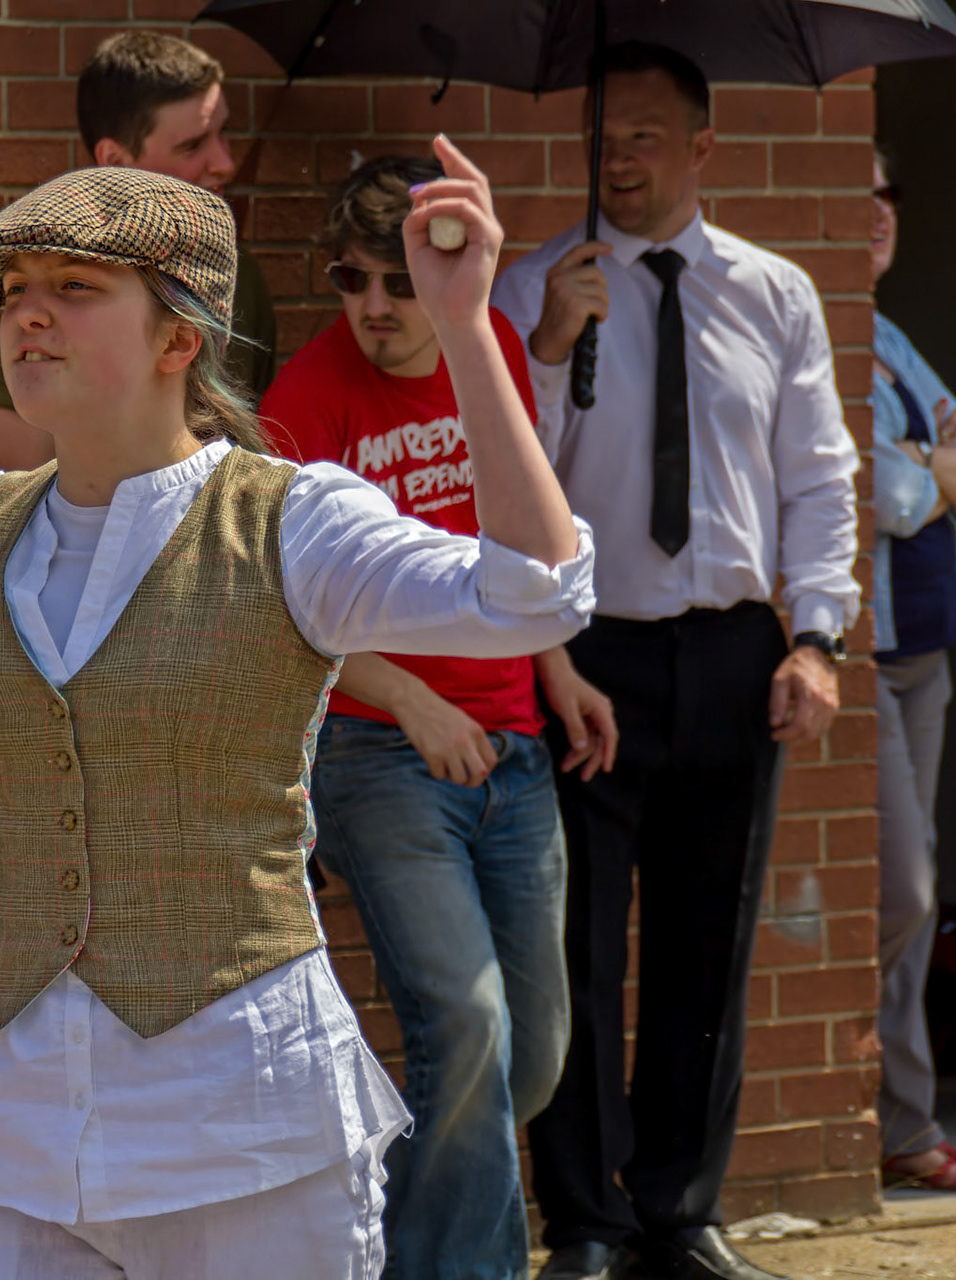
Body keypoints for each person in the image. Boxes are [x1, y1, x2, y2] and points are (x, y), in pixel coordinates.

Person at [0, 144, 592, 1276]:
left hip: (246, 1130)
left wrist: (467, 328)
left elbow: (536, 590)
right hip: (6, 1131)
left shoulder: (291, 522)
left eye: (74, 289)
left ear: (180, 339)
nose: (27, 317)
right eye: (17, 292)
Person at [491, 42, 859, 1280]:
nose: (623, 155)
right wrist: (546, 347)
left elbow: (816, 476)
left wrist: (818, 636)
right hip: (584, 657)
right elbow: (500, 480)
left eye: (649, 134)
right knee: (578, 946)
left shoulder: (776, 292)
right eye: (607, 133)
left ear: (703, 147)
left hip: (734, 653)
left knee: (711, 937)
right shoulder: (536, 284)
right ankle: (586, 1223)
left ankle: (678, 1209)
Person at [260, 154, 616, 1280]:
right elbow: (283, 612)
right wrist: (411, 700)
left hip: (511, 748)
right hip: (380, 753)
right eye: (350, 280)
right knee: (464, 1025)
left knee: (532, 1056)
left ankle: (380, 1245)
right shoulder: (303, 401)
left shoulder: (491, 351)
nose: (371, 307)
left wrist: (555, 664)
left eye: (394, 283)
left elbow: (517, 544)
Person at [866, 146, 956, 1190]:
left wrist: (928, 466)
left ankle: (906, 1124)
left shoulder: (884, 340)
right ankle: (860, 1080)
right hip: (861, 656)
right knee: (908, 888)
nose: (876, 211)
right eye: (854, 192)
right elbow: (894, 497)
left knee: (911, 906)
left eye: (888, 191)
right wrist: (933, 470)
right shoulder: (827, 335)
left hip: (929, 648)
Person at [0, 30, 276, 470]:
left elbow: (249, 445)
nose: (225, 162)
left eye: (222, 133)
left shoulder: (241, 276)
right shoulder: (30, 270)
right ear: (114, 160)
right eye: (192, 145)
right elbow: (21, 471)